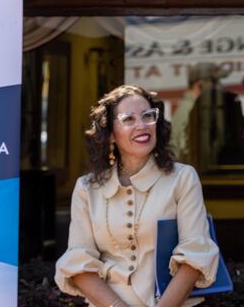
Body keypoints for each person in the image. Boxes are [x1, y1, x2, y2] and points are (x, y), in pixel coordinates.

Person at [55, 85, 219, 307]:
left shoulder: (183, 178)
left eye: (147, 116)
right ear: (111, 134)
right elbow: (79, 264)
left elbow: (195, 255)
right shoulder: (86, 188)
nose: (142, 125)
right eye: (128, 119)